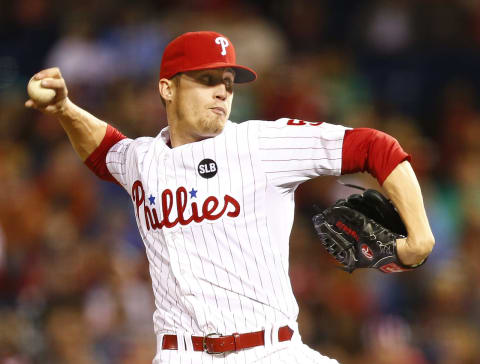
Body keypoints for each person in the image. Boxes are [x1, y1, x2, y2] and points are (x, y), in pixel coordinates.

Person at [25, 31, 435, 364]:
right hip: (180, 356)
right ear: (167, 88)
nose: (222, 92)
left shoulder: (260, 143)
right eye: (206, 80)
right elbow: (104, 152)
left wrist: (420, 238)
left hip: (271, 351)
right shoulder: (143, 159)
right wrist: (64, 108)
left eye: (227, 83)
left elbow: (375, 147)